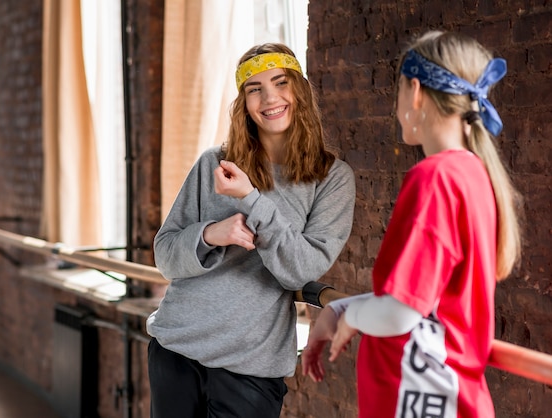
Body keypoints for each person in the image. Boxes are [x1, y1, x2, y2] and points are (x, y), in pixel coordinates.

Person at [301, 31, 522, 418]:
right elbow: (426, 301)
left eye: (398, 91)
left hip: (419, 401)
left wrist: (350, 317)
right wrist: (337, 311)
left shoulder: (434, 178)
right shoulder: (472, 174)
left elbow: (401, 313)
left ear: (415, 92)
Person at [146, 43, 356, 417]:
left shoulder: (331, 178)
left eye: (280, 82)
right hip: (176, 347)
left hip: (250, 365)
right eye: (254, 88)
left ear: (300, 90)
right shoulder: (215, 163)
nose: (269, 97)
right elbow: (165, 255)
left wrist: (250, 199)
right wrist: (212, 233)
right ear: (244, 103)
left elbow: (300, 270)